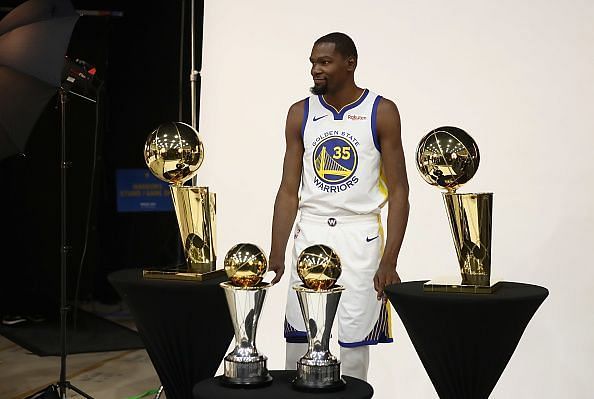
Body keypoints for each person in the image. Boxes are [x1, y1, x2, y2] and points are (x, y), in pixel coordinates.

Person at [269, 32, 410, 381]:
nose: (316, 69)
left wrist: (389, 260)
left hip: (359, 234)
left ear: (350, 64)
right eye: (313, 62)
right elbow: (288, 191)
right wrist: (276, 253)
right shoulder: (299, 113)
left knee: (353, 346)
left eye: (325, 62)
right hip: (311, 230)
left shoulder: (381, 112)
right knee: (300, 342)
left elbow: (400, 192)